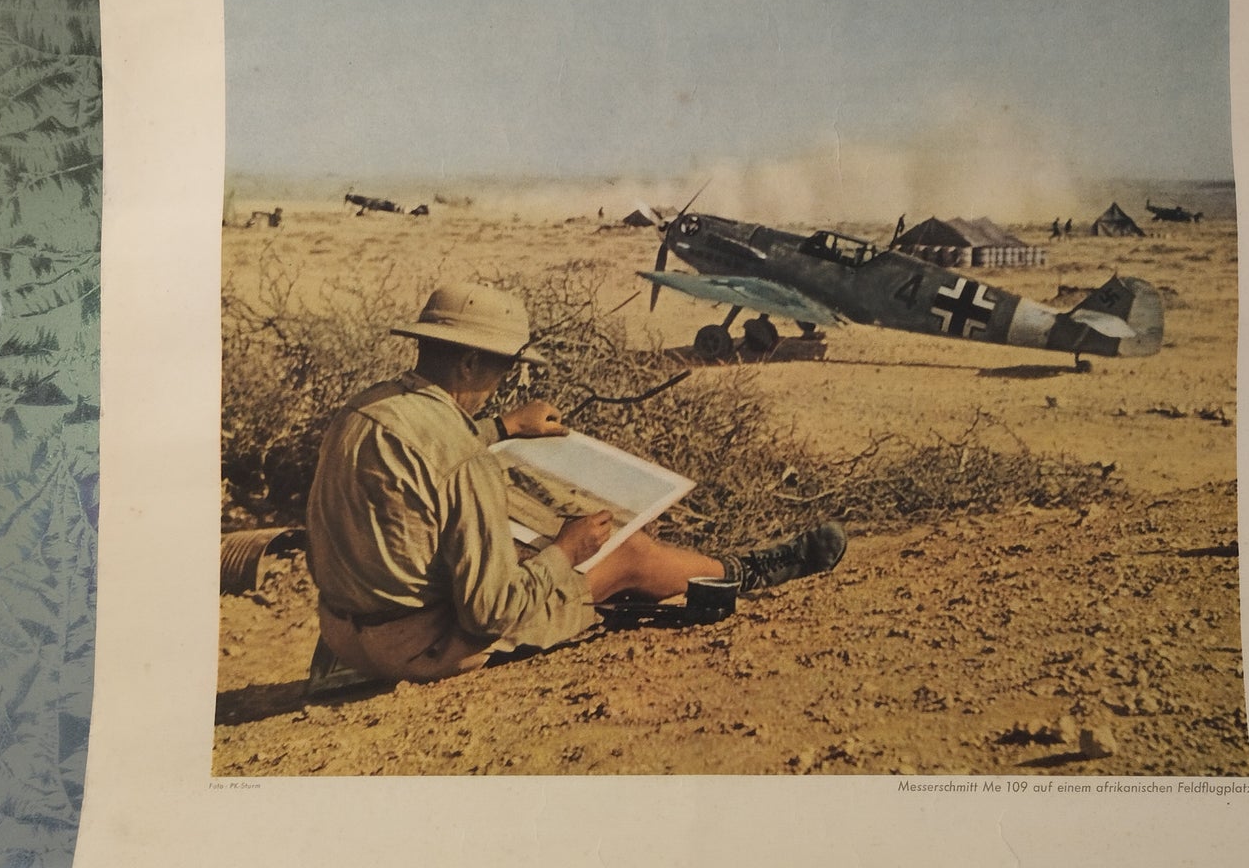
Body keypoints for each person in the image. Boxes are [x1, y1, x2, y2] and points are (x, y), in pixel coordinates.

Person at [305, 282, 846, 687]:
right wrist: (566, 551)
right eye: (503, 370)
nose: (506, 384)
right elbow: (489, 613)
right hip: (418, 649)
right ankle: (748, 571)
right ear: (469, 363)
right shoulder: (468, 465)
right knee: (626, 550)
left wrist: (503, 427)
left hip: (345, 636)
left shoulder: (367, 409)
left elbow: (431, 454)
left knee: (502, 547)